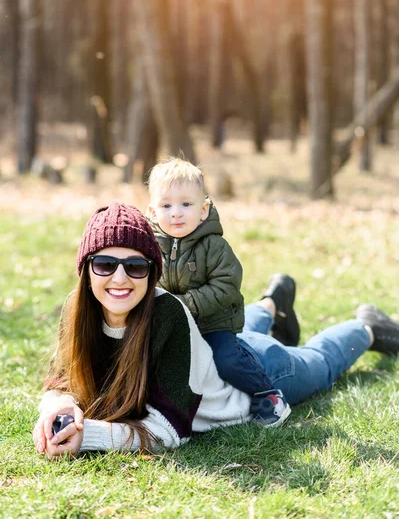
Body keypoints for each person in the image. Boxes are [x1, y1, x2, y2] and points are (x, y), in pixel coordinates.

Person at [33, 202, 399, 459]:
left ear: (153, 273)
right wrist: (58, 407)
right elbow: (63, 378)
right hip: (212, 349)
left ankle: (367, 326)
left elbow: (169, 431)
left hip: (252, 373)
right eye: (105, 264)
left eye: (135, 266)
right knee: (225, 339)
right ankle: (272, 304)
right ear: (86, 269)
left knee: (320, 363)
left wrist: (88, 437)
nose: (119, 278)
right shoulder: (76, 308)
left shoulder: (167, 315)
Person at [147, 157, 297, 426]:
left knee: (226, 359)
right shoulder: (153, 247)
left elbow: (226, 285)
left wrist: (185, 304)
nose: (176, 213)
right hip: (176, 326)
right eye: (166, 205)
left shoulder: (213, 245)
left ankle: (267, 393)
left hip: (213, 323)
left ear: (203, 210)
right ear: (152, 211)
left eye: (186, 204)